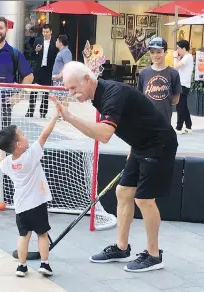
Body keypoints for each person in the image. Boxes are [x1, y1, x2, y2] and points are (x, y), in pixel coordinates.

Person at [51, 61, 178, 273]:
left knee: (144, 199)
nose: (72, 93)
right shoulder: (98, 95)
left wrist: (69, 117)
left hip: (159, 143)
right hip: (141, 144)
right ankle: (121, 248)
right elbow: (135, 116)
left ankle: (154, 255)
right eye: (68, 89)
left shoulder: (112, 93)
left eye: (74, 88)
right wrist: (134, 144)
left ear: (87, 79)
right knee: (123, 191)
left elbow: (104, 134)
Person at [0, 112, 59, 277]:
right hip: (37, 204)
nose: (26, 136)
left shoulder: (8, 164)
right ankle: (44, 264)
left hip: (21, 207)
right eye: (22, 134)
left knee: (23, 236)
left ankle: (21, 266)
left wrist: (0, 147)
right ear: (18, 144)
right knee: (42, 235)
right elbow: (44, 135)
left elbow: (1, 159)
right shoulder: (31, 156)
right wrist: (55, 116)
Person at [138, 37, 182, 127]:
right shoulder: (143, 73)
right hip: (146, 120)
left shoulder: (173, 74)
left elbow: (176, 99)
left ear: (165, 52)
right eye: (152, 52)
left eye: (159, 52)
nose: (155, 55)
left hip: (164, 121)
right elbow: (140, 97)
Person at [26, 24, 57, 118]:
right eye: (43, 32)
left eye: (47, 32)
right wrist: (36, 50)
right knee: (33, 90)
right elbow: (31, 55)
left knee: (45, 91)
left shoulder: (55, 42)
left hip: (48, 69)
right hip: (38, 68)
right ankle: (30, 111)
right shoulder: (38, 40)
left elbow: (55, 56)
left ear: (51, 31)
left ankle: (43, 112)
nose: (45, 34)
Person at [172, 39, 192, 134]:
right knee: (183, 106)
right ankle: (188, 126)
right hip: (183, 84)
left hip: (183, 84)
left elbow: (175, 66)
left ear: (184, 48)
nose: (177, 50)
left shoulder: (188, 57)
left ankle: (179, 127)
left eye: (178, 48)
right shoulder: (186, 57)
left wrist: (175, 57)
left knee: (180, 106)